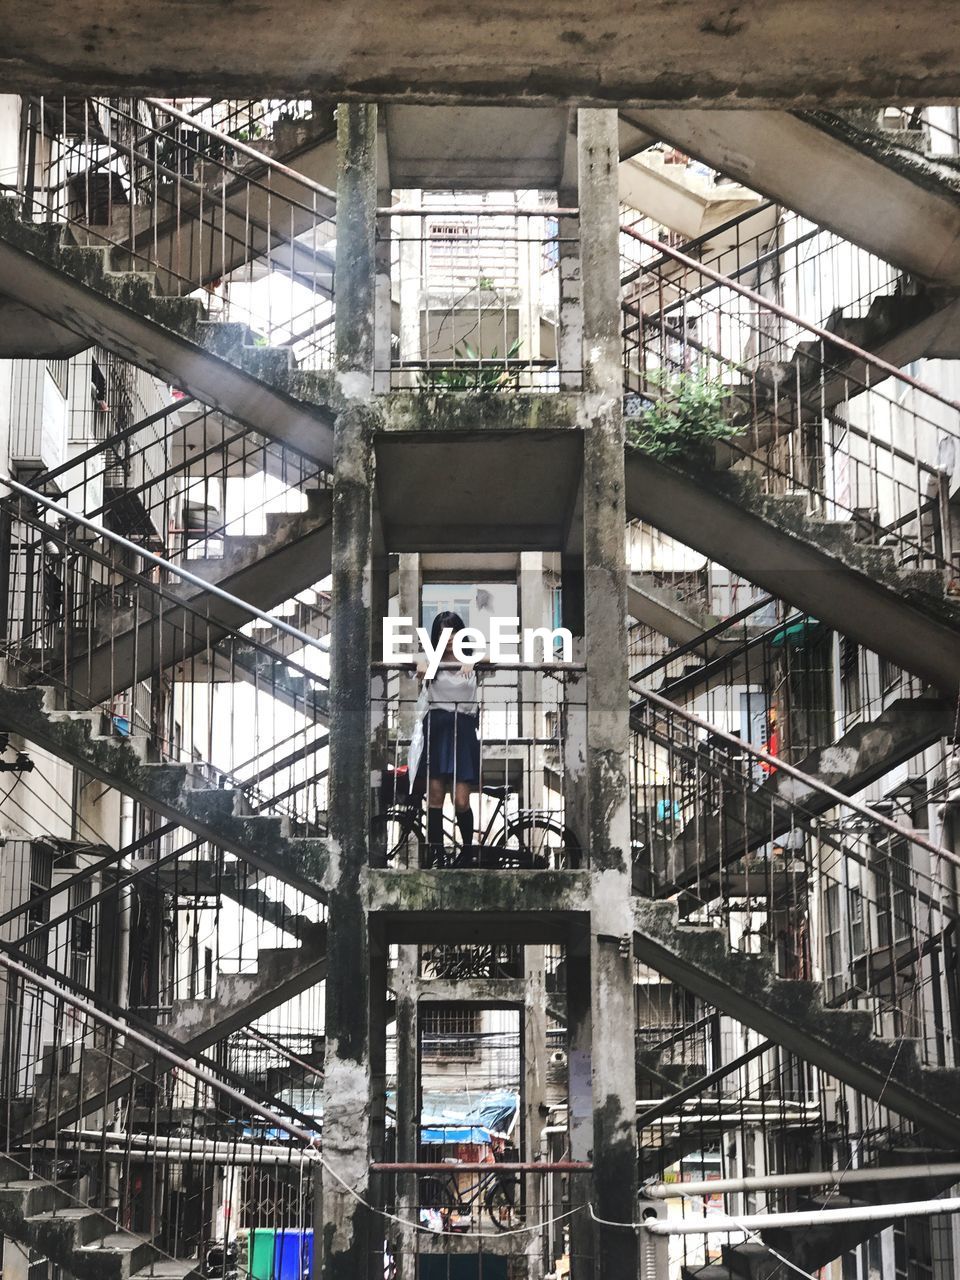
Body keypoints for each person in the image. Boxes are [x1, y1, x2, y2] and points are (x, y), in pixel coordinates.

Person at [415, 611, 481, 867]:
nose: (449, 638)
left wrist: (472, 660)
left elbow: (496, 656)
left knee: (461, 800)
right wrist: (422, 662)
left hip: (462, 732)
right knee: (434, 797)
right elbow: (414, 660)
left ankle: (467, 852)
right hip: (436, 730)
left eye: (453, 632)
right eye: (443, 632)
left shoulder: (471, 661)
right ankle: (437, 855)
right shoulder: (430, 661)